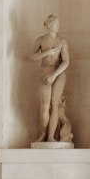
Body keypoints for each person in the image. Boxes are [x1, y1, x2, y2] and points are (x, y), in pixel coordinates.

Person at [29, 14, 73, 144]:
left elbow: (66, 61)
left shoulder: (62, 41)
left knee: (55, 105)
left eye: (58, 24)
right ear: (48, 25)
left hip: (58, 75)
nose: (57, 26)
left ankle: (51, 136)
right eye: (55, 24)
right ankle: (42, 134)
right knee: (45, 106)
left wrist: (54, 75)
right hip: (45, 74)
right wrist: (47, 53)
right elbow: (31, 56)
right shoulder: (41, 40)